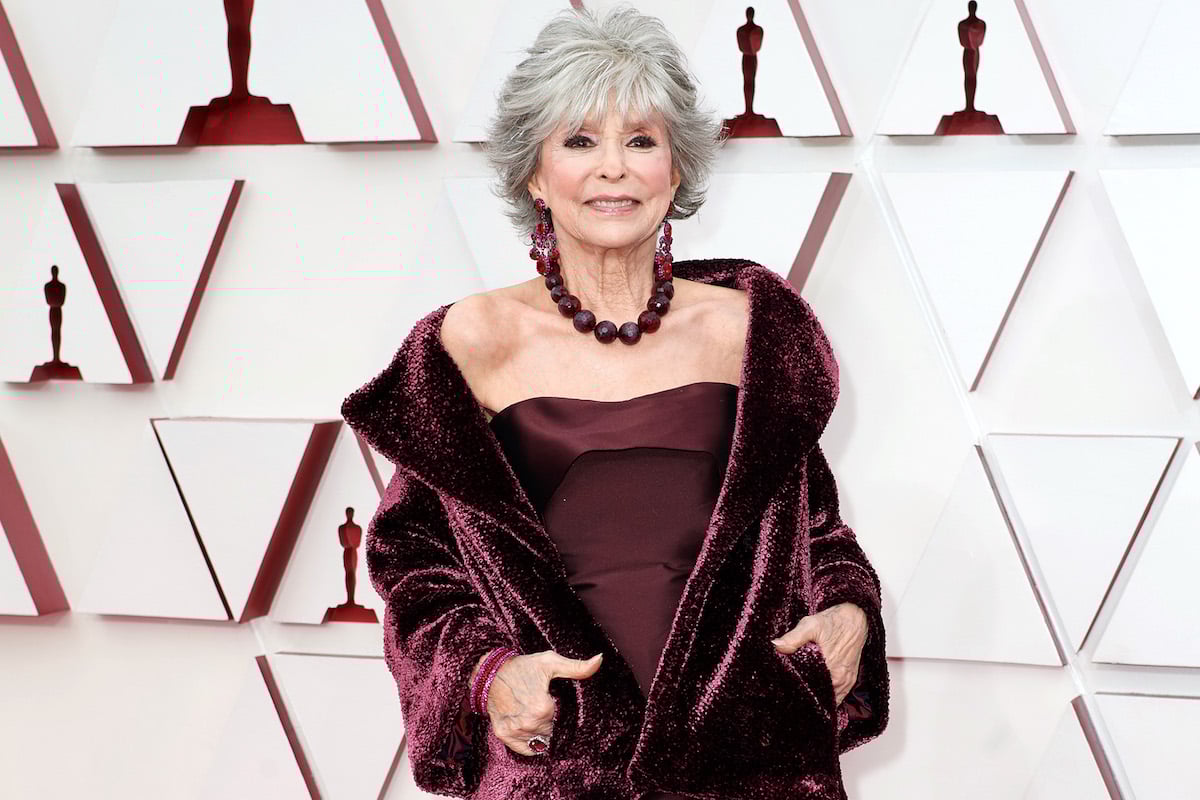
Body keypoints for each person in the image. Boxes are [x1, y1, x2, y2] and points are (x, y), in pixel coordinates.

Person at [341, 6, 888, 798]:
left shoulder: (753, 333)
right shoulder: (471, 341)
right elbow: (413, 562)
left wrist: (848, 616)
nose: (614, 169)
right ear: (534, 171)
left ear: (677, 167)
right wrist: (490, 676)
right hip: (562, 768)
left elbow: (816, 529)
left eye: (640, 140)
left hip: (751, 762)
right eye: (579, 141)